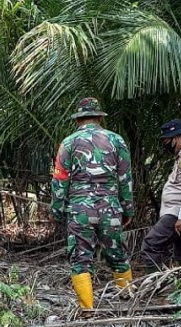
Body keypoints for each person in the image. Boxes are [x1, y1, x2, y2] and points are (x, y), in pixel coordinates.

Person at [51, 97, 134, 309]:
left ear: (79, 119)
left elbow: (60, 180)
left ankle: (87, 309)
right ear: (99, 117)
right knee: (117, 253)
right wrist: (127, 209)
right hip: (110, 207)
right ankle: (128, 300)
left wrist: (58, 210)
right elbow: (125, 178)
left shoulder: (68, 143)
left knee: (80, 259)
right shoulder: (117, 140)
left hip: (79, 210)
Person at [141, 119, 181, 271]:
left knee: (150, 245)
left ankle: (155, 285)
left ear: (175, 138)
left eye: (166, 142)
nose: (165, 146)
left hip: (178, 214)